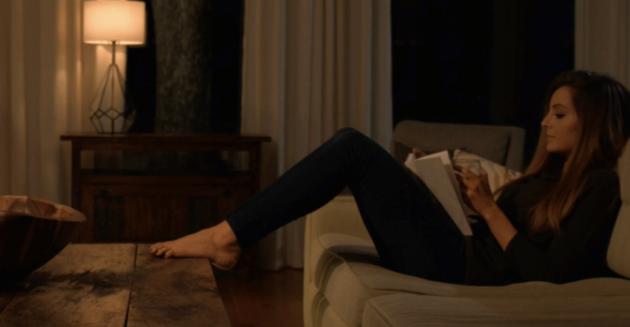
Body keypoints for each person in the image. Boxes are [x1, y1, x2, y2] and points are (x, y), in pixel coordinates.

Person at [149, 70, 629, 285]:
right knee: (358, 151)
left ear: (592, 122)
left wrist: (487, 208)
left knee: (352, 147)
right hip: (459, 250)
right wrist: (436, 183)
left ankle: (227, 236)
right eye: (548, 112)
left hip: (463, 269)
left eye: (559, 114)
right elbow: (491, 230)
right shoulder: (546, 179)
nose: (545, 123)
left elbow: (551, 274)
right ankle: (228, 234)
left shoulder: (601, 185)